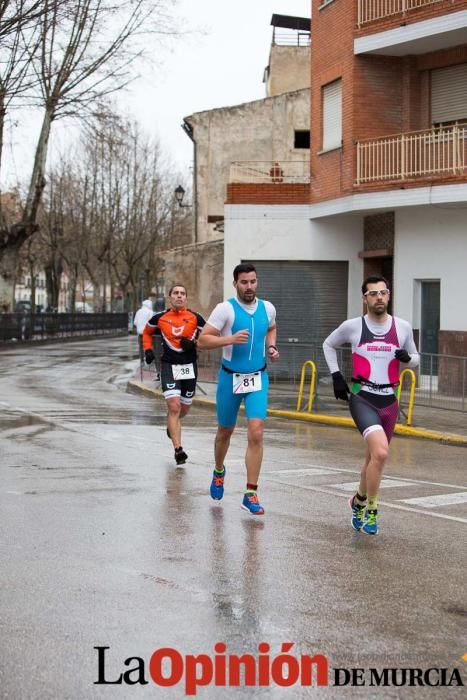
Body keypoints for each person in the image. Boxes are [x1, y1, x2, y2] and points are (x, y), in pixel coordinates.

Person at [323, 274, 419, 535]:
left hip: (390, 401)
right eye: (373, 293)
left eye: (383, 292)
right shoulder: (353, 326)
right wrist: (336, 377)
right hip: (363, 397)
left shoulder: (403, 327)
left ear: (389, 296)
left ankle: (358, 501)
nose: (379, 297)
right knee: (381, 453)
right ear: (365, 299)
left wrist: (408, 358)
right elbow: (329, 344)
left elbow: (416, 359)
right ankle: (372, 512)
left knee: (372, 459)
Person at [197, 263, 280, 516]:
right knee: (225, 431)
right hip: (230, 378)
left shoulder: (267, 307)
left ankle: (251, 493)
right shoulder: (225, 310)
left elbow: (272, 327)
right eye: (244, 282)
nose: (249, 287)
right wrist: (229, 339)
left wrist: (272, 347)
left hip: (258, 378)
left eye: (253, 281)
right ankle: (219, 471)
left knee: (256, 432)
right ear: (235, 284)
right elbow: (202, 340)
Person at [143, 284, 206, 466]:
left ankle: (172, 425)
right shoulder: (160, 318)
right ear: (170, 297)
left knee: (183, 409)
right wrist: (148, 350)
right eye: (176, 293)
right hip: (169, 366)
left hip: (189, 367)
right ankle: (178, 449)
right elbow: (146, 332)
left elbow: (211, 335)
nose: (179, 296)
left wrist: (194, 343)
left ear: (186, 298)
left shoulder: (196, 318)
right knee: (174, 406)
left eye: (182, 294)